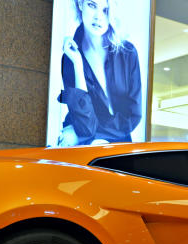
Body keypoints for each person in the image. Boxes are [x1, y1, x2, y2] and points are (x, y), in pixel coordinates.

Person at [57, 0, 142, 146]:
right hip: (84, 146)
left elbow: (133, 115)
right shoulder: (70, 59)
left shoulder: (128, 53)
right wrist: (78, 64)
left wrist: (95, 137)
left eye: (105, 10)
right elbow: (85, 125)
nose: (98, 17)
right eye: (92, 5)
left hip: (118, 146)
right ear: (80, 4)